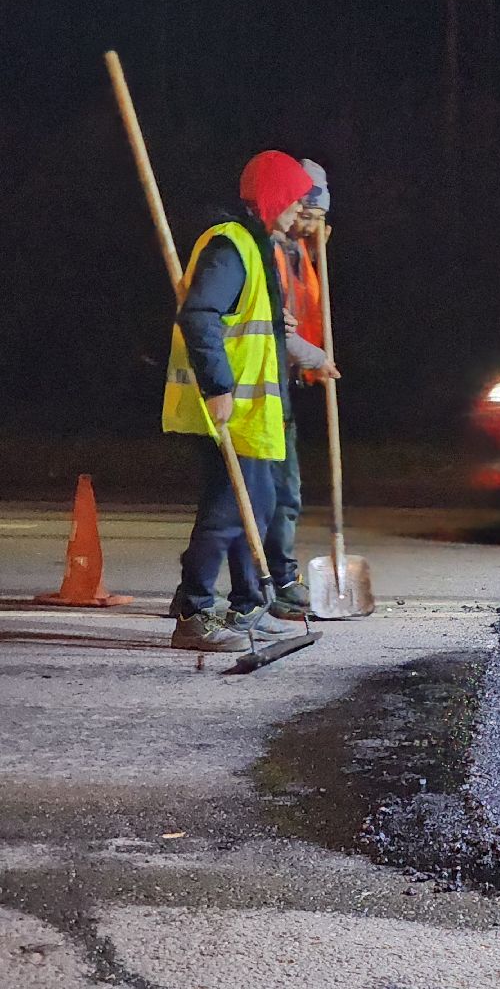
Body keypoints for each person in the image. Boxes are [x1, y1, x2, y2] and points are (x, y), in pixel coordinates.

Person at [164, 150, 321, 651]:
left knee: (256, 505)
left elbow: (256, 329)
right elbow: (200, 315)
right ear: (274, 196)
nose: (300, 212)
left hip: (256, 411)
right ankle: (193, 611)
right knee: (230, 512)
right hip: (229, 406)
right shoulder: (230, 247)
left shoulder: (256, 247)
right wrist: (218, 386)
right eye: (295, 200)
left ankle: (248, 605)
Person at [265, 159, 339, 618]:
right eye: (307, 212)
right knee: (277, 491)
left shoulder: (295, 254)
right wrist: (316, 359)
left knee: (271, 492)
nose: (310, 223)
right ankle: (278, 580)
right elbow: (277, 327)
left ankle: (264, 580)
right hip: (262, 384)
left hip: (282, 384)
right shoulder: (268, 251)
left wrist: (311, 252)